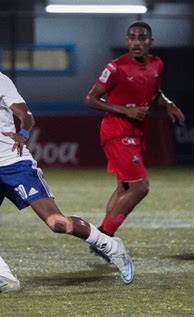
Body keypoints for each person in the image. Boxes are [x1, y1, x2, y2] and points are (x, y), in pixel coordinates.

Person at [0, 29, 136, 294]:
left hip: (13, 164)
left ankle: (111, 246)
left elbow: (26, 115)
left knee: (57, 223)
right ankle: (3, 276)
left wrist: (22, 133)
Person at [85, 21, 185, 260]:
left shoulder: (156, 64)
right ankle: (103, 237)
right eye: (132, 37)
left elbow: (155, 93)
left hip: (137, 133)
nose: (136, 42)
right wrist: (124, 110)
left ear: (151, 41)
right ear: (127, 41)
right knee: (140, 186)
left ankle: (102, 240)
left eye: (142, 37)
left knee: (125, 187)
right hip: (116, 131)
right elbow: (90, 99)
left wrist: (169, 104)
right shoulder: (115, 67)